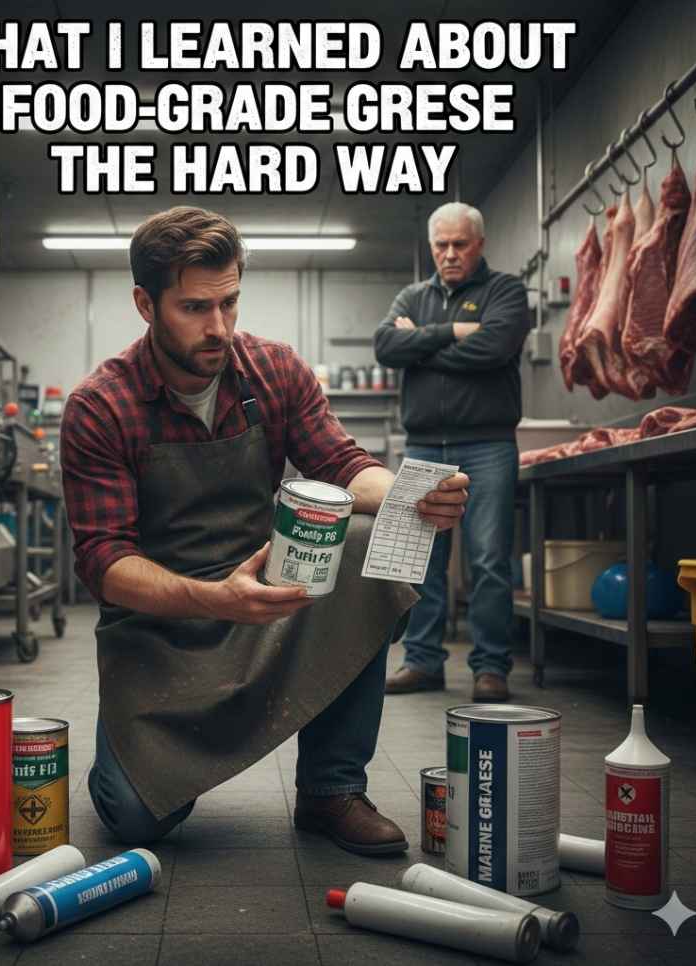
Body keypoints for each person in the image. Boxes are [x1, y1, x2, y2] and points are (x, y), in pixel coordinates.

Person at [60, 206, 470, 854]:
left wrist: (413, 497)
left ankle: (331, 789)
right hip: (159, 631)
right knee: (136, 820)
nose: (218, 327)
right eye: (195, 308)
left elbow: (341, 463)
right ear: (146, 303)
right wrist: (213, 597)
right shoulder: (100, 405)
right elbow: (104, 560)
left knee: (368, 541)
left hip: (267, 602)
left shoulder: (273, 371)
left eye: (229, 303)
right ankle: (129, 756)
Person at [374, 202, 529, 702]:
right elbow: (385, 347)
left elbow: (496, 347)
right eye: (441, 245)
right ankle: (422, 661)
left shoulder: (504, 290)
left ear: (479, 244)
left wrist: (420, 344)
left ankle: (490, 668)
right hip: (424, 445)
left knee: (488, 560)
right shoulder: (413, 295)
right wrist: (453, 333)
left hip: (487, 444)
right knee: (421, 560)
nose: (449, 254)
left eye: (459, 244)